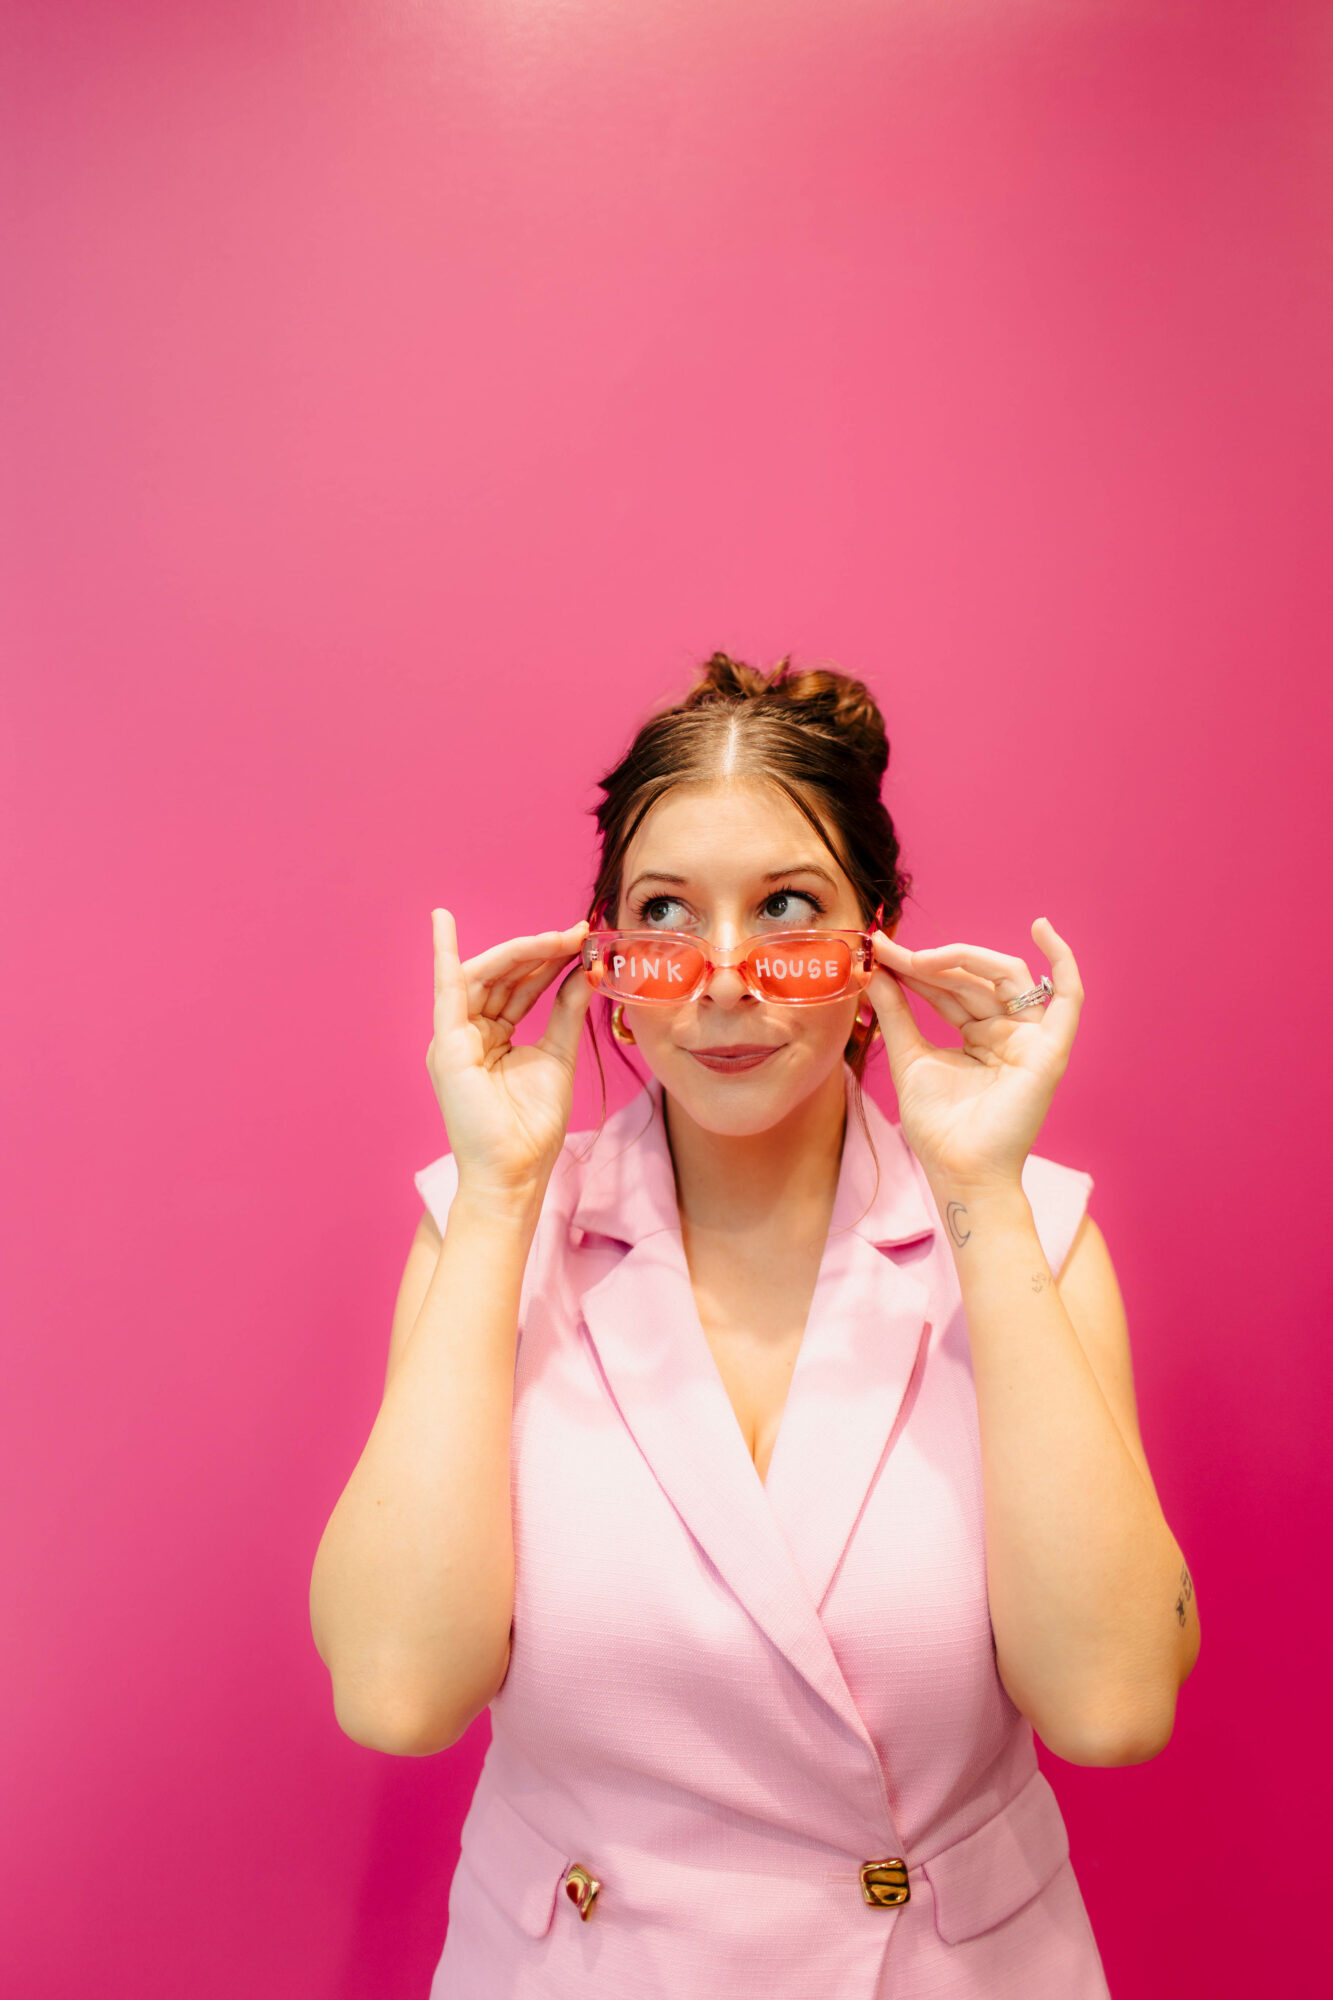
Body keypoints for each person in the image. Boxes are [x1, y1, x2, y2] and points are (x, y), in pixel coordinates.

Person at [310, 652, 1200, 1999]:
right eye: (663, 913)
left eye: (785, 905)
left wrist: (978, 1191)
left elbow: (1111, 1705)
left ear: (874, 939)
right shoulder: (482, 1227)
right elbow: (395, 1691)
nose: (723, 977)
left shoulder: (1033, 1232)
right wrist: (500, 1194)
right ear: (601, 957)